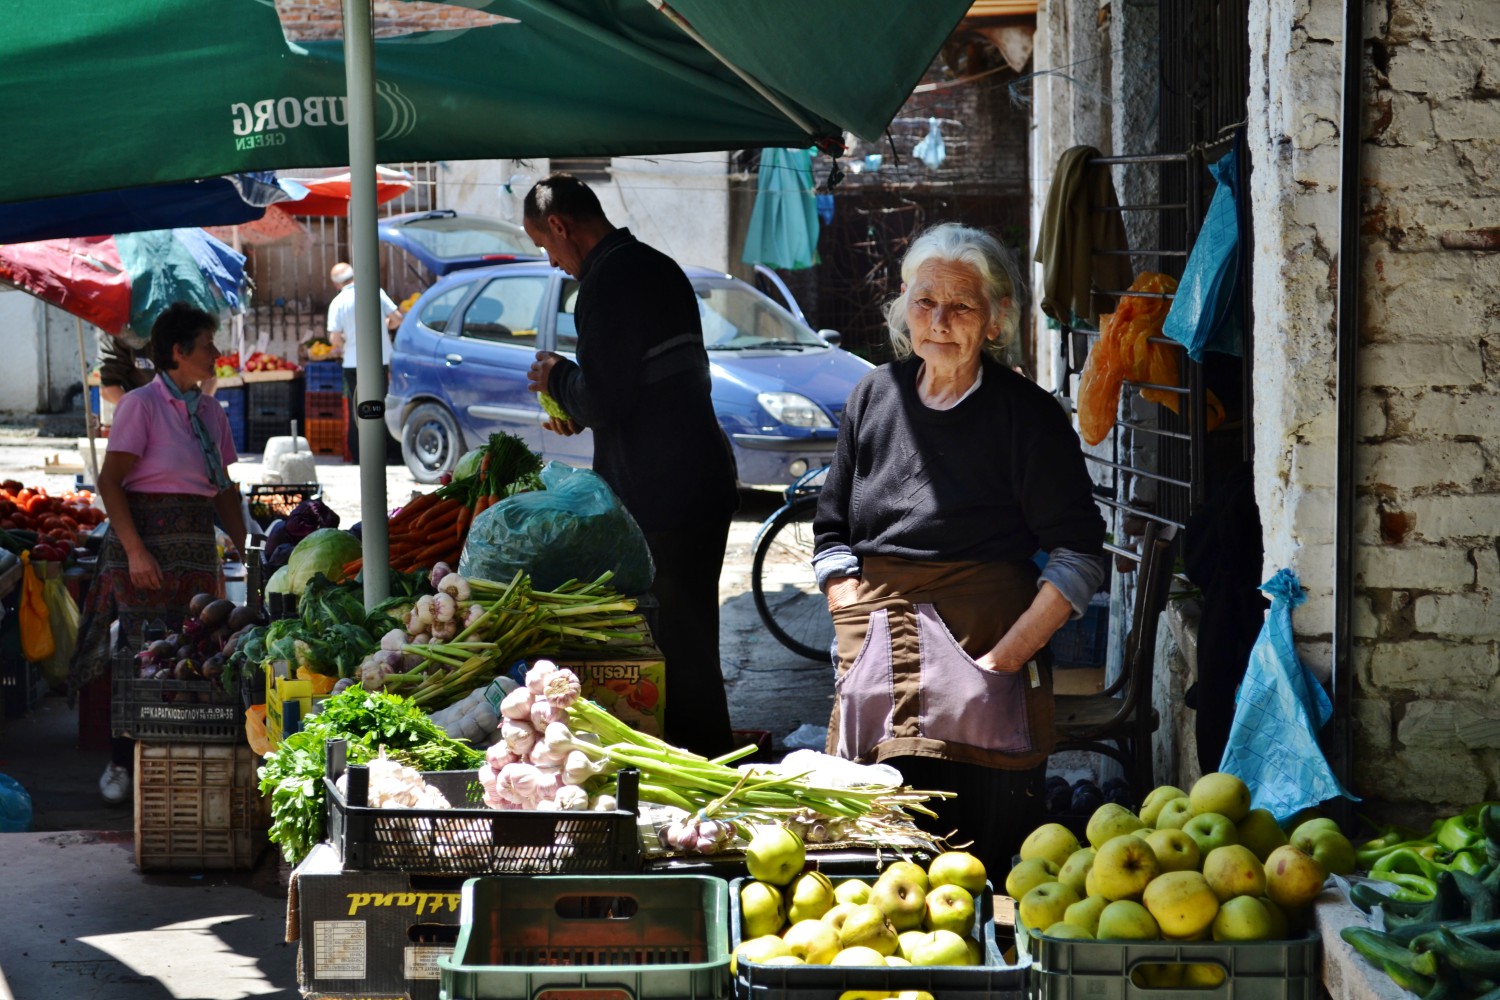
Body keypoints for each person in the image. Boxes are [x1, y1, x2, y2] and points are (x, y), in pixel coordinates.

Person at [812, 222, 1107, 872]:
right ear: (902, 309)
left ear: (995, 319)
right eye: (925, 301)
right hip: (876, 653)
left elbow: (1080, 555)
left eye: (961, 305)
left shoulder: (1027, 416)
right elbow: (831, 532)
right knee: (872, 858)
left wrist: (1003, 660)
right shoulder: (872, 397)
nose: (939, 321)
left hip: (985, 653)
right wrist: (851, 627)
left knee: (983, 858)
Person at [521, 173, 740, 759]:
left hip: (665, 488)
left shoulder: (607, 281)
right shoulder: (653, 264)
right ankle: (704, 757)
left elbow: (608, 398)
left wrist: (557, 378)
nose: (552, 262)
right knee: (690, 637)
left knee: (674, 641)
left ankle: (698, 771)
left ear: (561, 227)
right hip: (694, 474)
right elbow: (638, 390)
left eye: (546, 246)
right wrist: (578, 400)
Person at [69, 303, 247, 805]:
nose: (216, 354)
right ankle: (122, 763)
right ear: (178, 351)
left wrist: (245, 547)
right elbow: (110, 481)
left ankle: (179, 763)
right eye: (208, 345)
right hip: (143, 549)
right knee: (138, 657)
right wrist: (135, 552)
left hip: (194, 549)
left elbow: (224, 491)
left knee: (194, 654)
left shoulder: (211, 412)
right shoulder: (141, 405)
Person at [326, 261, 402, 463]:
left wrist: (347, 339)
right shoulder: (376, 292)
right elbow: (397, 318)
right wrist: (384, 326)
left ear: (336, 284)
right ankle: (393, 454)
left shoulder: (338, 302)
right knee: (385, 404)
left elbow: (334, 338)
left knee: (359, 408)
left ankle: (361, 456)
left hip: (353, 362)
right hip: (382, 359)